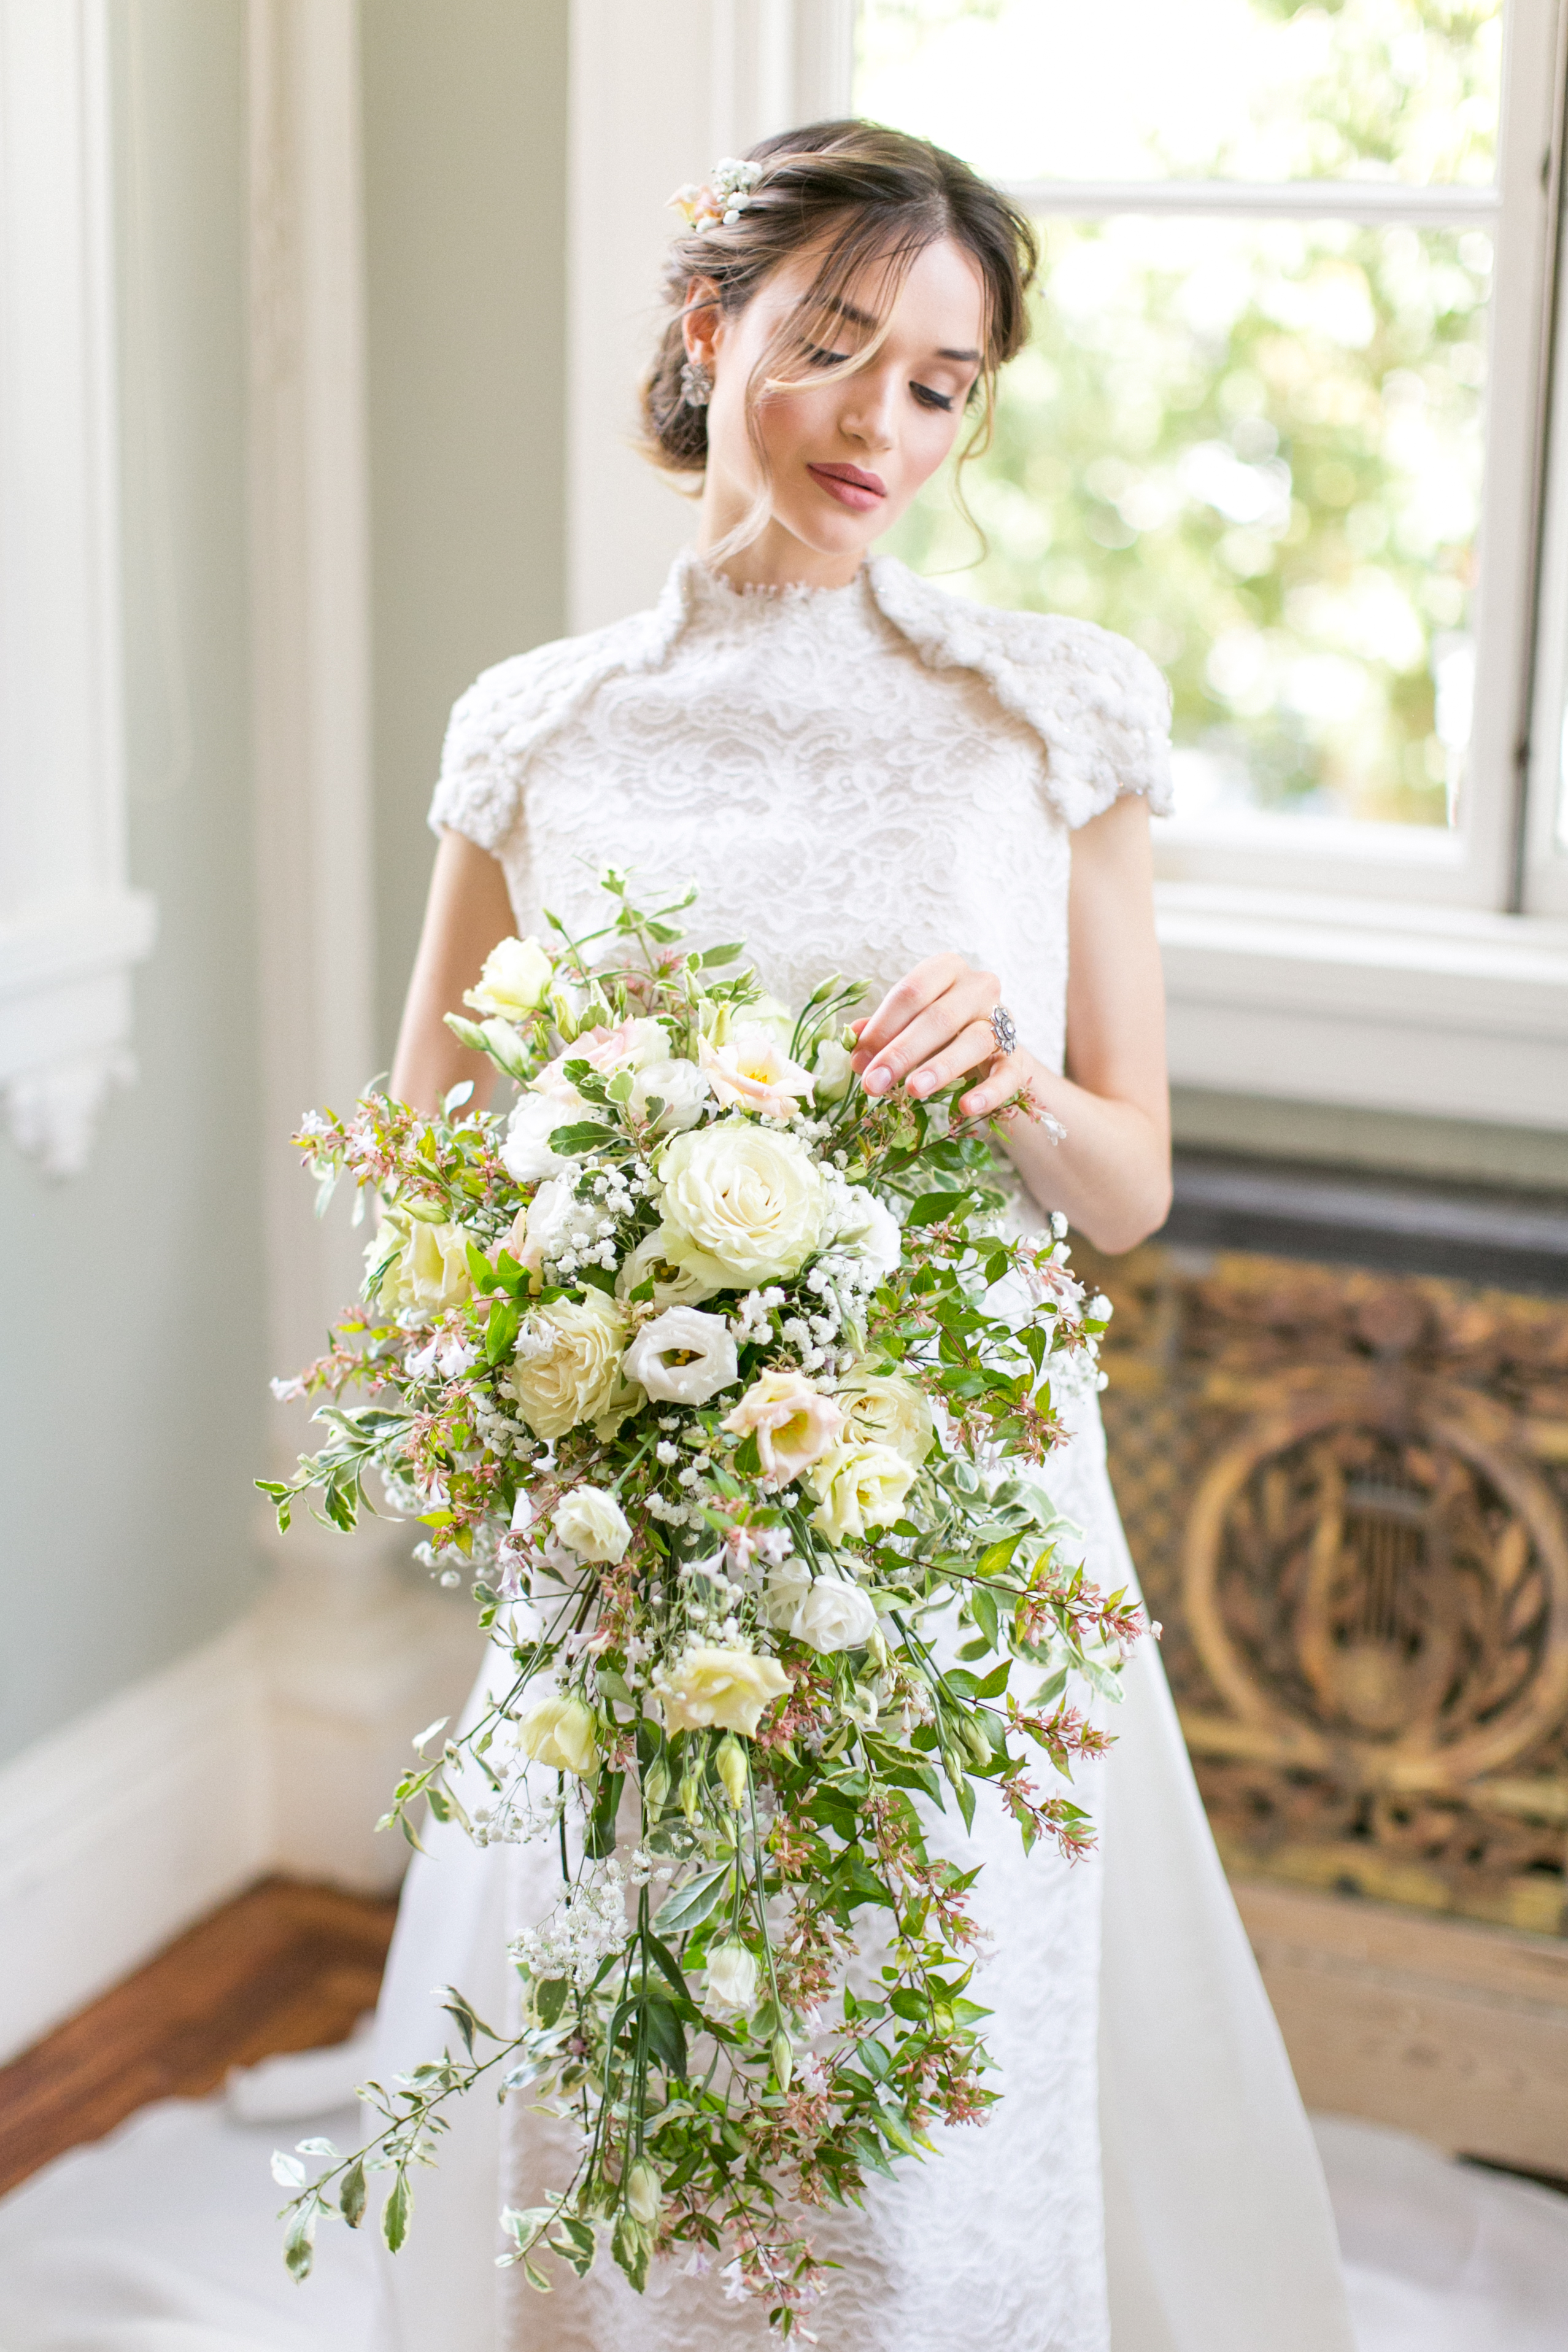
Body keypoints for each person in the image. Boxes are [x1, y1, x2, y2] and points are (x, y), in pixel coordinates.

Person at [371, 119, 1355, 2352]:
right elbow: (428, 1160)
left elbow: (1129, 1183)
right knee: (645, 2031)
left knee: (919, 2071)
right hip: (648, 1514)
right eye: (833, 346)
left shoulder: (1044, 709)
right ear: (705, 327)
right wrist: (541, 1367)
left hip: (959, 1518)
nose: (881, 425)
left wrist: (1009, 1076)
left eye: (940, 381)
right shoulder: (538, 727)